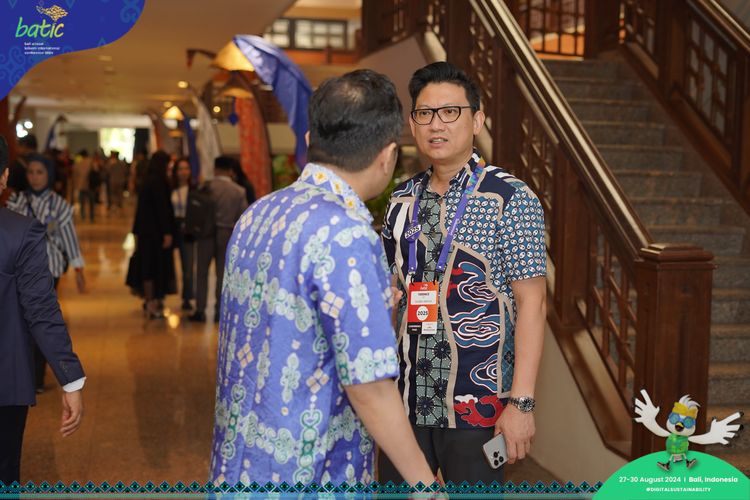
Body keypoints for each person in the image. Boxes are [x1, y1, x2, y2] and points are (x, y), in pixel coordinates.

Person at [209, 69, 435, 486]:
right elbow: (369, 387)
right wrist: (424, 485)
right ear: (388, 156)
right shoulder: (347, 234)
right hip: (310, 471)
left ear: (310, 140)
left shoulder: (257, 213)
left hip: (241, 466)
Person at [380, 62, 547, 484]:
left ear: (477, 120)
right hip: (406, 399)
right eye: (424, 113)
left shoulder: (510, 198)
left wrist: (521, 404)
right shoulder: (401, 199)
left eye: (450, 112)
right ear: (413, 124)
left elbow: (533, 303)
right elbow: (392, 288)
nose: (436, 124)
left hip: (479, 406)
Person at [0, 135, 85, 485]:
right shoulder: (19, 232)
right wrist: (70, 379)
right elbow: (41, 310)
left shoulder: (47, 213)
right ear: (5, 177)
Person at [6, 154, 87, 392]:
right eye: (31, 172)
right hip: (18, 270)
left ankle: (37, 377)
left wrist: (79, 269)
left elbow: (69, 239)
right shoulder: (16, 201)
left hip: (49, 268)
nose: (35, 177)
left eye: (40, 172)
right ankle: (24, 372)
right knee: (20, 321)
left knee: (39, 318)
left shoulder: (59, 205)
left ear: (49, 175)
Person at [188, 156, 247, 323]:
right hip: (227, 234)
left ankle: (200, 309)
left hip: (205, 234)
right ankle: (219, 311)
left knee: (202, 272)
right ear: (230, 171)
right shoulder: (238, 191)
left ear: (215, 169)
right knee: (222, 274)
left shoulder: (205, 187)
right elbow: (243, 216)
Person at [131, 150, 176, 318]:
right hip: (155, 233)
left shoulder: (147, 180)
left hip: (144, 231)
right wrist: (167, 232)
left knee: (146, 265)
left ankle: (149, 300)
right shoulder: (158, 182)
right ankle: (152, 301)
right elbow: (162, 209)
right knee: (153, 266)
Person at [170, 157, 196, 311]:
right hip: (174, 227)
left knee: (188, 266)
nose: (183, 172)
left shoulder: (194, 189)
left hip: (188, 229)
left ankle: (187, 297)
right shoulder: (170, 189)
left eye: (186, 169)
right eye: (180, 169)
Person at [72, 150, 95, 222]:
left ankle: (83, 216)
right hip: (90, 185)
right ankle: (91, 216)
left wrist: (75, 185)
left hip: (81, 185)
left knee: (82, 202)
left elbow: (75, 175)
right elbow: (96, 171)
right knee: (91, 202)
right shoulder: (91, 162)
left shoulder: (77, 164)